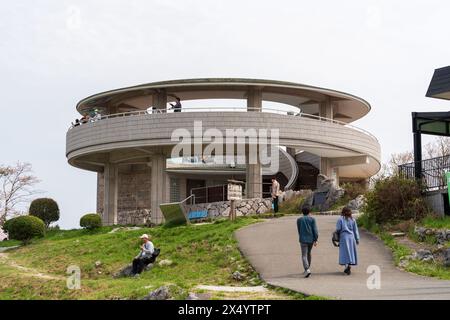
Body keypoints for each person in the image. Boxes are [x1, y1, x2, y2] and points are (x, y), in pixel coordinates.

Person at [336, 207, 360, 275]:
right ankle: (349, 265)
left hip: (344, 237)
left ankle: (346, 265)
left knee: (345, 252)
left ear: (342, 212)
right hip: (351, 237)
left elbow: (338, 229)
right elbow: (355, 230)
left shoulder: (340, 219)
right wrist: (357, 239)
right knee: (351, 252)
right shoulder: (353, 220)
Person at [296, 206, 318, 278]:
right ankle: (308, 268)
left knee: (304, 255)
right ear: (309, 212)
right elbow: (315, 230)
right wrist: (315, 239)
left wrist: (301, 236)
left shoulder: (299, 220)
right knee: (309, 253)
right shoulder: (312, 219)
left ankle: (307, 269)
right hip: (311, 239)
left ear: (302, 212)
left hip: (303, 239)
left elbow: (299, 230)